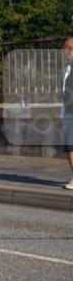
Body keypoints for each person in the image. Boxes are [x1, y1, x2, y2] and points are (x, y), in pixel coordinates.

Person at [62, 36, 73, 190]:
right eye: (66, 48)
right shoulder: (66, 69)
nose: (67, 51)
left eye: (70, 48)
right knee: (70, 146)